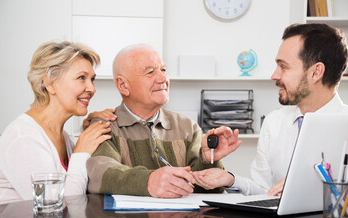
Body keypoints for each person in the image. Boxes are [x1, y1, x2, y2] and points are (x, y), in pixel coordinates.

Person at [192, 23, 348, 196]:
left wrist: (306, 187)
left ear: (316, 72)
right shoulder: (274, 122)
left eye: (283, 67)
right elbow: (265, 192)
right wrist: (231, 180)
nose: (274, 75)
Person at [86, 44, 241, 198]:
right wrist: (148, 181)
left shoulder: (187, 127)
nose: (163, 79)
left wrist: (208, 160)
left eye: (163, 70)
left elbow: (208, 192)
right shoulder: (104, 126)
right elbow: (99, 175)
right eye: (150, 72)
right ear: (123, 85)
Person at [0, 41, 116, 207]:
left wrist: (89, 130)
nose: (91, 88)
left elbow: (77, 180)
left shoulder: (61, 136)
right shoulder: (23, 138)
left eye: (92, 79)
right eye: (81, 78)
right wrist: (82, 151)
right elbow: (56, 207)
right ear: (50, 83)